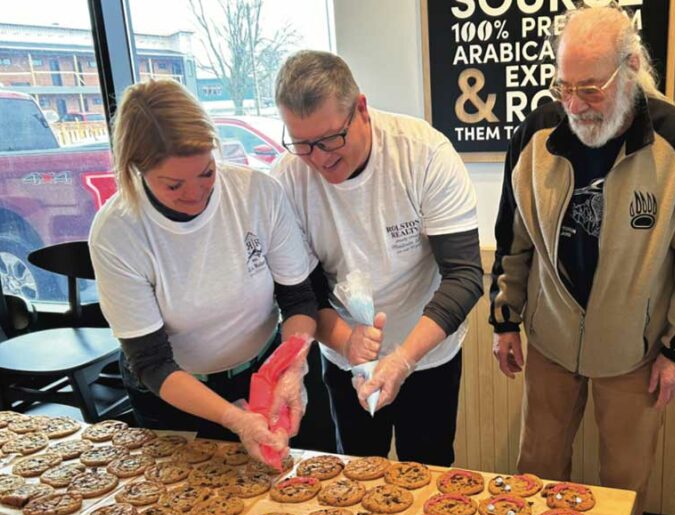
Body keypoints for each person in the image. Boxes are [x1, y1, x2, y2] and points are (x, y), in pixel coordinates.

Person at [489, 6, 675, 515]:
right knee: (537, 460)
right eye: (563, 86)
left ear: (630, 68)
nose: (575, 103)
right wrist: (504, 319)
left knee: (623, 476)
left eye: (589, 88)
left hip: (633, 346)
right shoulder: (538, 132)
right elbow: (511, 235)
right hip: (547, 335)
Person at [89, 78, 319, 461]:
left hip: (266, 371)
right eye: (174, 184)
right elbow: (152, 362)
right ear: (136, 169)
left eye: (206, 173)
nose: (195, 193)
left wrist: (292, 367)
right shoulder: (118, 231)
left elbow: (298, 299)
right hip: (174, 395)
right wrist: (235, 419)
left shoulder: (256, 194)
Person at [271, 50, 483, 466]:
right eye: (302, 144)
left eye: (331, 139)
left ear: (361, 110)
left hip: (426, 351)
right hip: (346, 356)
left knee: (428, 467)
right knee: (356, 467)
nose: (319, 159)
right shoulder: (286, 181)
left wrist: (403, 359)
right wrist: (344, 342)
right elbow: (302, 293)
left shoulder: (422, 154)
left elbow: (465, 276)